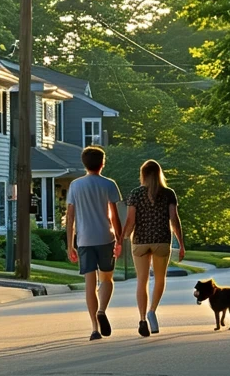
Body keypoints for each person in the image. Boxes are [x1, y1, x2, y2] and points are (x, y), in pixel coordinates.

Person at [64, 146, 123, 341]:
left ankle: (94, 328)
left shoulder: (75, 186)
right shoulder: (109, 184)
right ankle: (102, 310)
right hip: (106, 238)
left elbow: (70, 217)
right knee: (107, 279)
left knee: (90, 285)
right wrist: (120, 239)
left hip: (84, 240)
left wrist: (70, 244)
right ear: (102, 163)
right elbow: (114, 215)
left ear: (84, 163)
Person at [122, 159, 185, 337]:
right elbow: (174, 219)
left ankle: (142, 319)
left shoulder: (135, 194)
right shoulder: (168, 193)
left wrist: (122, 238)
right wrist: (181, 243)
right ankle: (152, 310)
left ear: (143, 174)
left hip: (140, 241)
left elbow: (130, 221)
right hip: (161, 240)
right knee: (159, 279)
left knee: (142, 280)